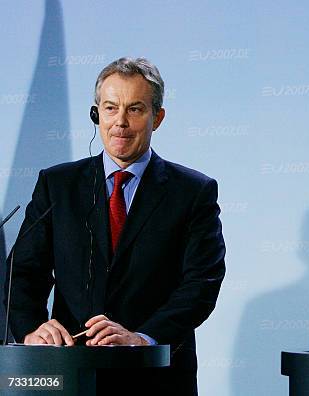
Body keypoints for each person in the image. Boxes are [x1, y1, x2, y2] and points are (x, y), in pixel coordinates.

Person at [5, 57, 225, 395]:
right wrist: (32, 330)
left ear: (158, 117)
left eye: (135, 109)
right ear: (96, 114)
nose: (120, 122)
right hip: (67, 376)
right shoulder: (57, 185)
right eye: (110, 108)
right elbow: (20, 274)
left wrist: (143, 339)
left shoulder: (193, 192)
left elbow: (201, 284)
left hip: (156, 377)